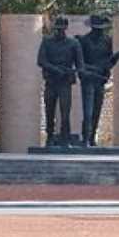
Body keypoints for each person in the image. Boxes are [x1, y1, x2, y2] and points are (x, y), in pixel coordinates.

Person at [76, 14, 119, 146]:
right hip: (88, 80)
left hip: (100, 80)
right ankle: (85, 138)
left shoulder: (107, 41)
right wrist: (93, 69)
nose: (100, 30)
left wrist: (116, 57)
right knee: (88, 111)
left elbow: (108, 62)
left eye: (102, 28)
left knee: (97, 111)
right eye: (98, 28)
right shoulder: (83, 41)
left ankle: (91, 138)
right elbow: (79, 63)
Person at [37, 16, 85, 145]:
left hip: (65, 82)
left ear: (66, 28)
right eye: (57, 29)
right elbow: (41, 61)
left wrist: (80, 71)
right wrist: (55, 69)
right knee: (49, 111)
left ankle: (65, 136)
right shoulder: (47, 42)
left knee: (65, 112)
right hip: (51, 81)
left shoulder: (74, 43)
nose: (59, 31)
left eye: (61, 29)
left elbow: (80, 63)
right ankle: (50, 136)